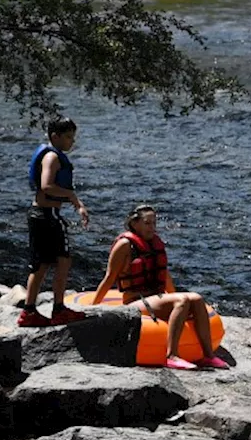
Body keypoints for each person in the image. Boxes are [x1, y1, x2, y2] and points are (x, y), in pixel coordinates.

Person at [91, 205, 230, 370]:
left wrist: (180, 301)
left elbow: (165, 275)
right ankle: (172, 356)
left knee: (196, 298)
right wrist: (92, 309)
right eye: (147, 223)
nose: (152, 227)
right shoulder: (125, 245)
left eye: (154, 223)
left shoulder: (154, 244)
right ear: (135, 224)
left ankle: (208, 356)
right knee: (182, 301)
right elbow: (109, 277)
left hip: (156, 299)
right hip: (135, 302)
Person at [19, 119, 90, 327]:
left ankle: (29, 310)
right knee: (62, 261)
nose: (71, 142)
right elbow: (47, 185)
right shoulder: (52, 157)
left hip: (40, 214)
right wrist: (73, 198)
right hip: (48, 215)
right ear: (54, 136)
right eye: (68, 137)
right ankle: (58, 309)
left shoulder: (53, 156)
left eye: (73, 137)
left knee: (41, 264)